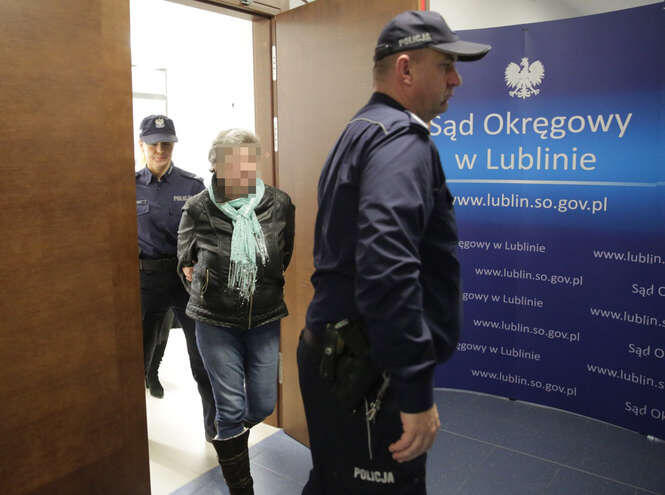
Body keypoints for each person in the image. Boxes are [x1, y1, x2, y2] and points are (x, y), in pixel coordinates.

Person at [298, 11, 491, 494]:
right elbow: (387, 264)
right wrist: (414, 389)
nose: (456, 79)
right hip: (367, 371)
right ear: (405, 69)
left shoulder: (362, 130)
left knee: (333, 482)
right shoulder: (402, 142)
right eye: (445, 65)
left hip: (338, 356)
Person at [177, 128, 295, 495]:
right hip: (215, 321)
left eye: (248, 160)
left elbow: (284, 254)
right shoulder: (197, 207)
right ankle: (241, 486)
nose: (242, 169)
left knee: (262, 403)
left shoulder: (279, 203)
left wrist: (258, 282)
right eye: (232, 161)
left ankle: (229, 438)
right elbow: (185, 262)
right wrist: (206, 284)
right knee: (229, 409)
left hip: (264, 318)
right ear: (215, 164)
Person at [135, 114, 216, 440]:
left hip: (187, 282)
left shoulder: (192, 185)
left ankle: (215, 428)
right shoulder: (127, 186)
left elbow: (210, 234)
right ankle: (132, 434)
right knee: (137, 359)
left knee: (202, 358)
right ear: (142, 145)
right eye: (153, 144)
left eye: (166, 143)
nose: (160, 150)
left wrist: (201, 264)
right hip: (146, 281)